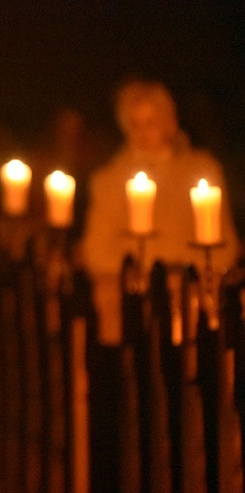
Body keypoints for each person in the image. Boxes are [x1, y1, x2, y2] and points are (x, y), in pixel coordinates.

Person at [81, 78, 241, 345]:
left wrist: (178, 277)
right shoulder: (108, 180)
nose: (143, 132)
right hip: (129, 313)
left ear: (169, 121)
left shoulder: (202, 171)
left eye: (151, 122)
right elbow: (96, 251)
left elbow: (225, 246)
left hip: (192, 306)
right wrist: (150, 274)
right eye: (135, 124)